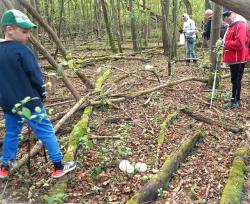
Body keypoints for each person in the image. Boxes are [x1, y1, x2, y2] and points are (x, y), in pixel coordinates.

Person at [0, 9, 76, 178]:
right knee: (46, 131)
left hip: (8, 104)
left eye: (29, 32)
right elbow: (35, 77)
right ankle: (58, 166)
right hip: (30, 103)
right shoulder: (23, 51)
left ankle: (5, 167)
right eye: (25, 32)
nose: (28, 36)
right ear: (9, 29)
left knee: (12, 133)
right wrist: (42, 96)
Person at [221, 8, 249, 108]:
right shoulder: (232, 25)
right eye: (224, 16)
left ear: (234, 13)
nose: (226, 18)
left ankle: (236, 101)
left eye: (228, 15)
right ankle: (234, 99)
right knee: (234, 79)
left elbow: (239, 43)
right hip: (234, 58)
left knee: (236, 79)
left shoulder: (240, 24)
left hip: (239, 57)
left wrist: (225, 43)